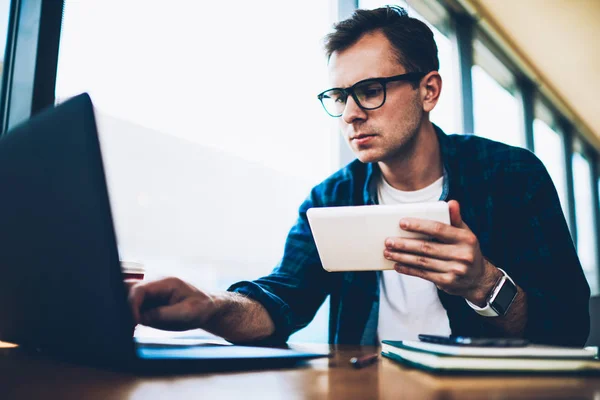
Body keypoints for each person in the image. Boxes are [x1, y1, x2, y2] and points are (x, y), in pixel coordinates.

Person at [128, 5, 590, 347]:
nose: (349, 114)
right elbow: (281, 302)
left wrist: (484, 284)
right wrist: (208, 306)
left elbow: (570, 329)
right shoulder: (331, 198)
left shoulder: (511, 176)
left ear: (428, 90)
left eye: (368, 91)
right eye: (339, 96)